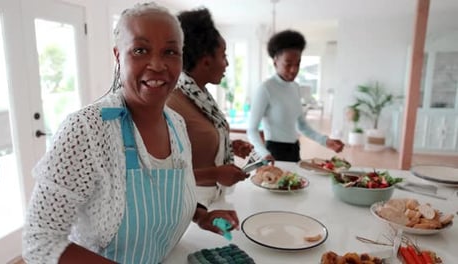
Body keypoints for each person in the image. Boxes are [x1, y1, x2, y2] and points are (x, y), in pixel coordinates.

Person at [22, 3, 239, 264]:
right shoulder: (87, 130)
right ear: (118, 56)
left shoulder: (177, 125)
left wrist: (202, 216)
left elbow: (171, 193)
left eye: (170, 51)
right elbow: (39, 241)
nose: (157, 65)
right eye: (140, 50)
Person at [166, 8, 253, 207]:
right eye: (223, 56)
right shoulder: (173, 102)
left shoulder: (199, 96)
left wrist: (228, 145)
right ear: (206, 61)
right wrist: (215, 174)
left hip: (212, 200)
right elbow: (163, 175)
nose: (227, 63)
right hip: (189, 207)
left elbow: (194, 145)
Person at [247, 29, 344, 162]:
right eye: (288, 64)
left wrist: (326, 141)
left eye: (297, 64)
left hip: (294, 150)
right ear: (275, 61)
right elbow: (252, 130)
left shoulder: (295, 87)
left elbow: (302, 126)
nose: (294, 69)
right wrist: (263, 153)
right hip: (273, 153)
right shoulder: (266, 89)